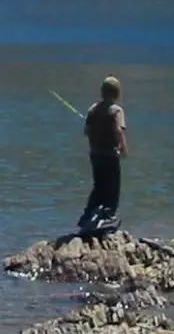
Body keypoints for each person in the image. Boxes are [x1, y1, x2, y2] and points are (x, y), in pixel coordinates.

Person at [79, 76, 128, 232]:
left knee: (98, 186)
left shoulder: (92, 109)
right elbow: (118, 130)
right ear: (117, 93)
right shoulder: (117, 111)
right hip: (110, 155)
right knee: (113, 187)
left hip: (95, 155)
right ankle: (108, 216)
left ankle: (87, 216)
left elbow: (86, 131)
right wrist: (123, 148)